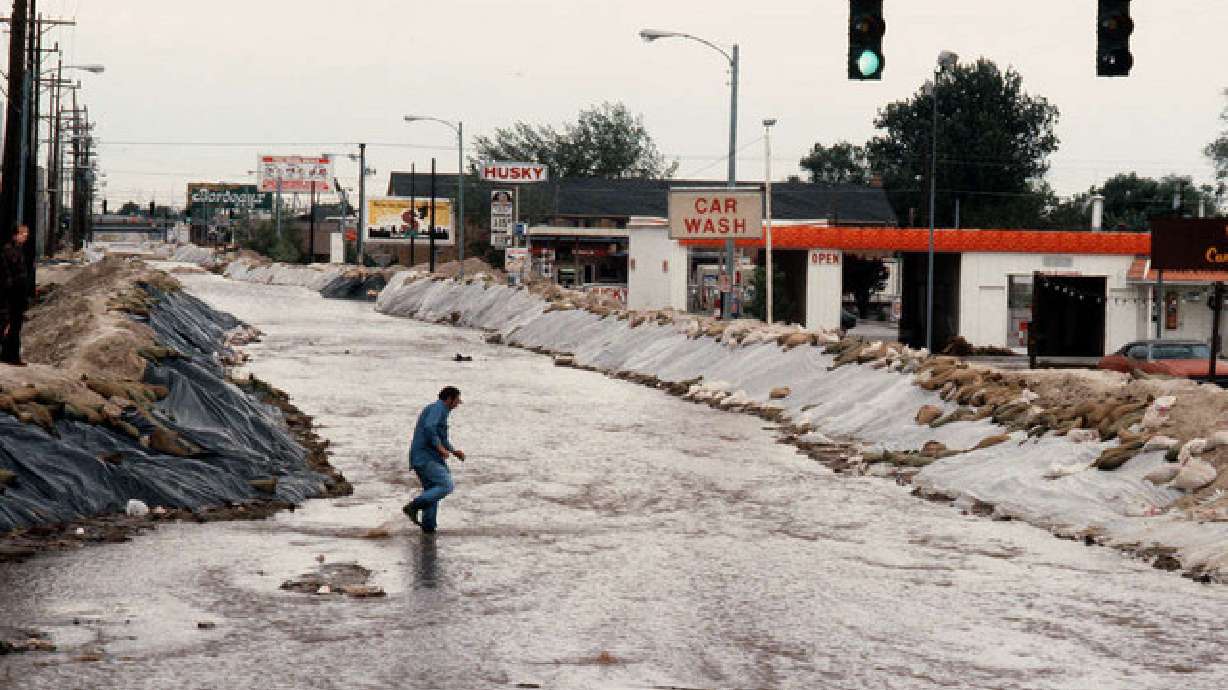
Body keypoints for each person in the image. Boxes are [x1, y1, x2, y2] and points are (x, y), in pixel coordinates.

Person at [403, 386, 465, 533]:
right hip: (425, 457)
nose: (458, 404)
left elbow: (442, 436)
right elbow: (429, 427)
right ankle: (413, 506)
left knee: (432, 492)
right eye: (456, 400)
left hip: (425, 458)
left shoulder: (442, 412)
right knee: (446, 485)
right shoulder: (438, 408)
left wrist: (453, 450)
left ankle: (428, 529)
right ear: (449, 399)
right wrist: (439, 448)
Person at [0, 224, 30, 366]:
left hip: (18, 294)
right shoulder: (8, 251)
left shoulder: (18, 250)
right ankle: (9, 355)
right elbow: (8, 274)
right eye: (23, 233)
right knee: (8, 324)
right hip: (11, 295)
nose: (25, 236)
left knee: (15, 325)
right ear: (15, 235)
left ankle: (11, 355)